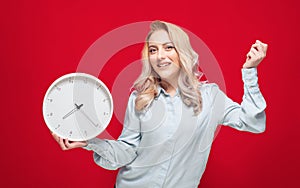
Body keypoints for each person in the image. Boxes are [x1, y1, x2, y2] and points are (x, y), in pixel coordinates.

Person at [52, 20, 268, 188]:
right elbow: (126, 152)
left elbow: (252, 122)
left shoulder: (211, 97)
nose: (159, 56)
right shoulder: (140, 99)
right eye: (153, 50)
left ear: (182, 52)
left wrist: (249, 72)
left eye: (168, 47)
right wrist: (89, 141)